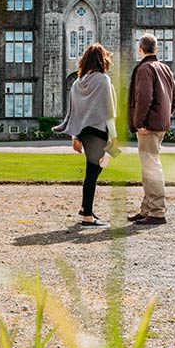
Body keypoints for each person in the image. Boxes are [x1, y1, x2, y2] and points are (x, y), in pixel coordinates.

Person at [53, 43, 118, 227]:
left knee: (94, 172)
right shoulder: (103, 80)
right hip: (99, 132)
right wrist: (114, 140)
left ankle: (85, 208)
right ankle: (87, 217)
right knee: (92, 174)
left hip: (84, 132)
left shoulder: (77, 83)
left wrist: (74, 137)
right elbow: (109, 112)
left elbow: (74, 112)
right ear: (102, 60)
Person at [127, 33, 175, 225]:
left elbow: (144, 98)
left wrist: (140, 123)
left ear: (140, 49)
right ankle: (147, 208)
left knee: (151, 167)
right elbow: (174, 100)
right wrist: (163, 117)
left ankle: (156, 211)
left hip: (148, 127)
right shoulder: (165, 68)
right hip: (160, 125)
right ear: (156, 49)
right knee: (149, 166)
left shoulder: (145, 68)